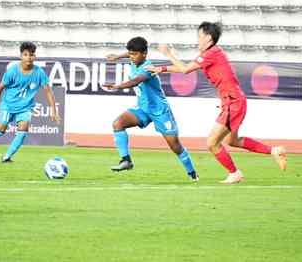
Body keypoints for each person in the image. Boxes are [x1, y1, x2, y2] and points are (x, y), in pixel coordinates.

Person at [146, 22, 287, 184]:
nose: (197, 40)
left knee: (212, 143)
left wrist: (168, 53)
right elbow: (184, 68)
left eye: (199, 36)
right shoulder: (212, 53)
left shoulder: (210, 53)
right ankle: (275, 151)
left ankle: (235, 173)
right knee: (232, 141)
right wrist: (162, 69)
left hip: (233, 102)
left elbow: (185, 69)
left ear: (208, 37)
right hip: (233, 101)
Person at [104, 36, 199, 181]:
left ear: (144, 53)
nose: (132, 57)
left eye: (135, 54)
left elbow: (135, 81)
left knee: (175, 145)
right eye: (130, 54)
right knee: (118, 123)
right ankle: (126, 160)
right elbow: (129, 54)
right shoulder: (134, 59)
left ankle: (192, 173)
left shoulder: (148, 68)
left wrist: (117, 86)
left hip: (160, 111)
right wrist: (117, 56)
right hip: (143, 109)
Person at [0, 42, 60, 163]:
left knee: (23, 130)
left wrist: (53, 111)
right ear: (21, 56)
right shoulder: (12, 71)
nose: (29, 58)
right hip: (8, 105)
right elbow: (0, 88)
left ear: (34, 57)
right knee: (1, 129)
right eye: (26, 54)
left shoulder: (39, 73)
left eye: (31, 55)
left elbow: (48, 91)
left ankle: (6, 157)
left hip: (25, 108)